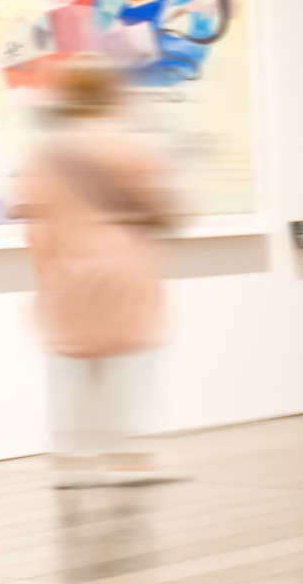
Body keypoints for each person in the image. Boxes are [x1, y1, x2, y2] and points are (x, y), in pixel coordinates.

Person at [12, 59, 182, 488]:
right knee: (129, 368)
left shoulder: (45, 154)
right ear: (110, 93)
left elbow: (36, 224)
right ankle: (130, 456)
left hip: (67, 274)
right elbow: (166, 210)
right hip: (124, 275)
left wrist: (45, 276)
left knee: (69, 372)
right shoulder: (131, 147)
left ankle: (69, 460)